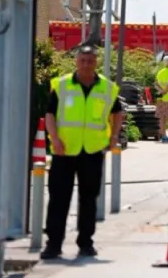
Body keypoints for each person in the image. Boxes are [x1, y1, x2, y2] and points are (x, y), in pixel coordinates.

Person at [42, 45, 123, 260]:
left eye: (90, 60)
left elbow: (118, 113)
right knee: (59, 198)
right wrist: (55, 139)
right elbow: (50, 115)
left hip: (93, 150)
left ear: (96, 62)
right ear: (76, 62)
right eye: (82, 60)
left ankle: (86, 243)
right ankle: (53, 244)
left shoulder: (107, 88)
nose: (86, 64)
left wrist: (114, 137)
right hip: (64, 150)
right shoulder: (62, 85)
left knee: (89, 199)